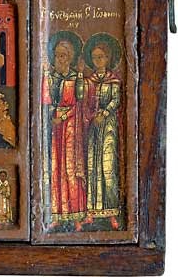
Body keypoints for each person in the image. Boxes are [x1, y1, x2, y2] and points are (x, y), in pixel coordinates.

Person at [41, 36, 87, 230]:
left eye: (63, 56)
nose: (59, 59)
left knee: (70, 169)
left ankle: (76, 215)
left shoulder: (76, 78)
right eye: (57, 55)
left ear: (70, 57)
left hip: (70, 128)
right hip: (55, 126)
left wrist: (64, 116)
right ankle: (57, 214)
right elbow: (46, 100)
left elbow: (80, 102)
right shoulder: (52, 77)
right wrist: (53, 115)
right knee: (55, 168)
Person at [83, 35, 122, 230]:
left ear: (108, 58)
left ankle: (112, 213)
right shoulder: (88, 80)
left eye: (101, 57)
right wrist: (91, 115)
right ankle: (91, 211)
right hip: (93, 126)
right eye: (94, 57)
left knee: (107, 167)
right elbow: (85, 102)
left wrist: (104, 113)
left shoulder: (113, 80)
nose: (98, 60)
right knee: (92, 166)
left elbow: (116, 100)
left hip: (108, 126)